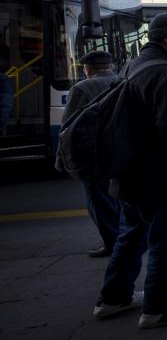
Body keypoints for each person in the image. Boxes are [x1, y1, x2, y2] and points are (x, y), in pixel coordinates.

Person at [93, 13, 167, 329]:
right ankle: (158, 308)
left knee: (131, 237)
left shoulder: (134, 64)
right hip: (160, 177)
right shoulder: (165, 72)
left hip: (130, 173)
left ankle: (113, 298)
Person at [58, 51, 121, 258]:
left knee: (100, 202)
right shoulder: (124, 81)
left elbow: (68, 128)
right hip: (121, 152)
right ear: (110, 66)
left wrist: (62, 160)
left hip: (94, 154)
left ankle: (112, 243)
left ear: (87, 69)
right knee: (121, 198)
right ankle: (126, 239)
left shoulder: (81, 88)